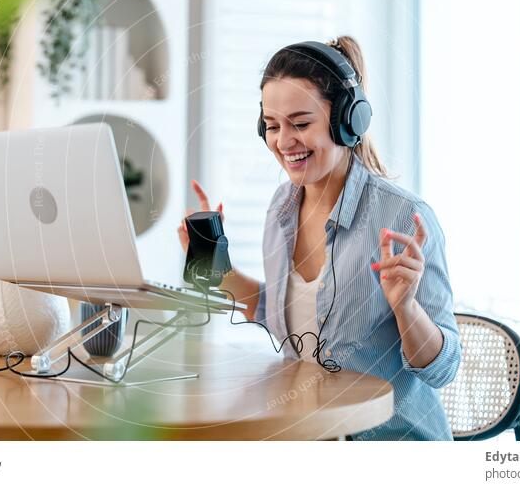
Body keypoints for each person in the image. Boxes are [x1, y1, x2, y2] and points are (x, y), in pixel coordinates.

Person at [177, 36, 461, 441]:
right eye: (272, 126)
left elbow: (442, 370)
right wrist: (217, 268)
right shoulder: (280, 211)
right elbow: (287, 320)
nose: (283, 141)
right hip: (310, 435)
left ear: (348, 121)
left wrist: (406, 309)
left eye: (301, 123)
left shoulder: (402, 217)